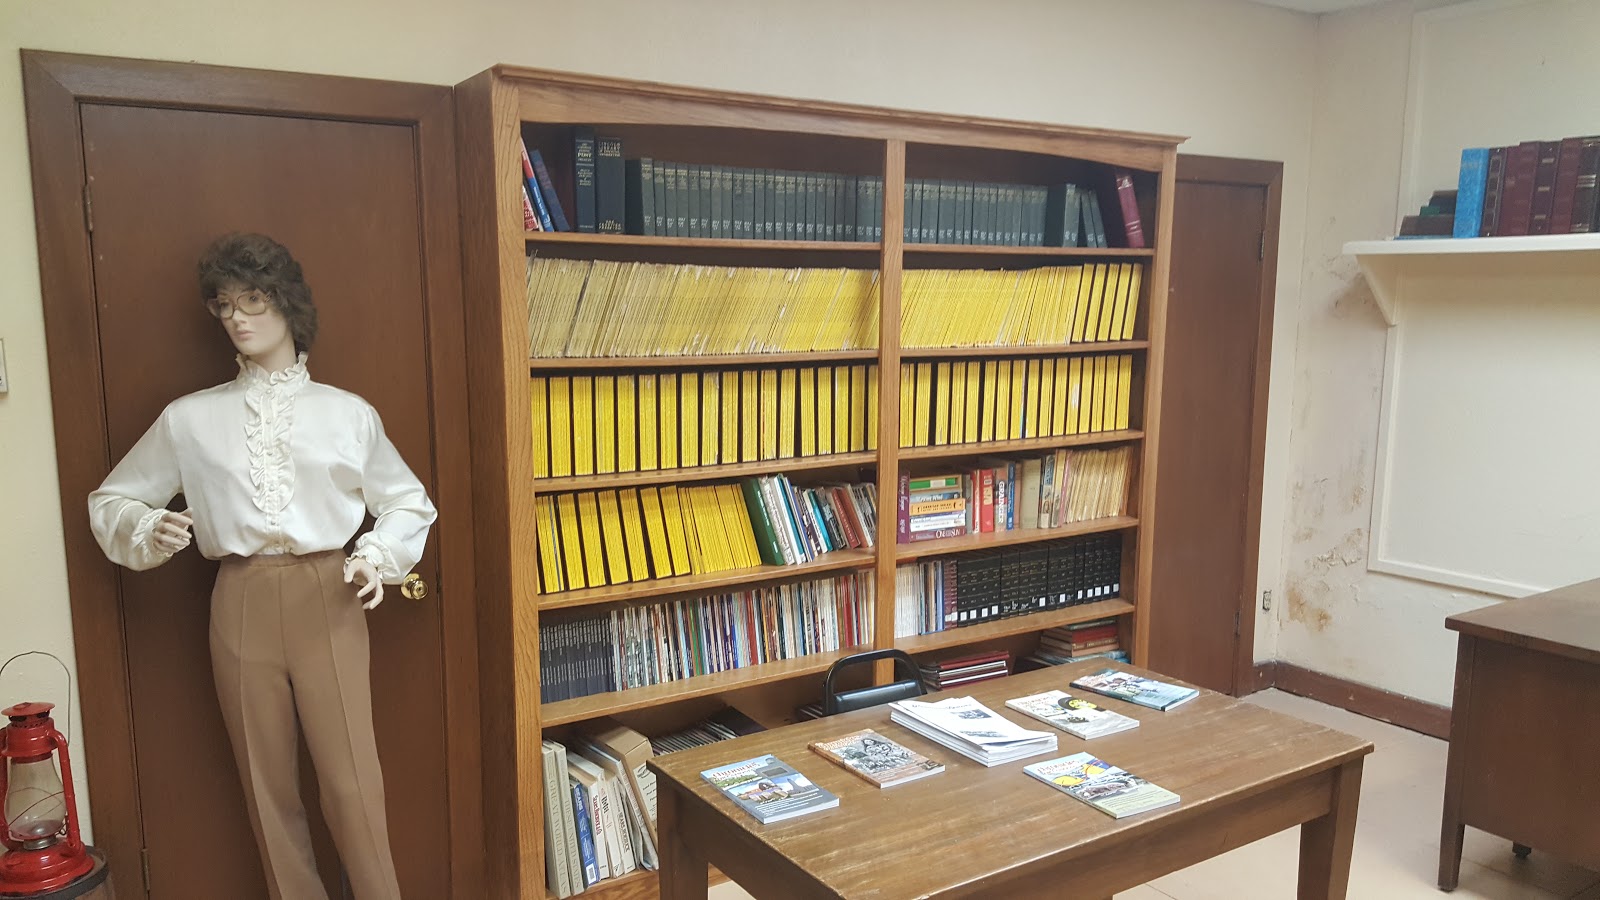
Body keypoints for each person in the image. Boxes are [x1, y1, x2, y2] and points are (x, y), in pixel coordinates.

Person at [87, 233, 435, 900]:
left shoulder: (346, 415)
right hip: (239, 597)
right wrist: (149, 526)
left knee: (353, 784)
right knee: (266, 787)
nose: (237, 317)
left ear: (285, 302)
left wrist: (376, 557)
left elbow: (407, 501)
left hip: (329, 593)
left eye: (252, 299)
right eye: (224, 304)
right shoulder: (190, 420)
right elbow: (111, 499)